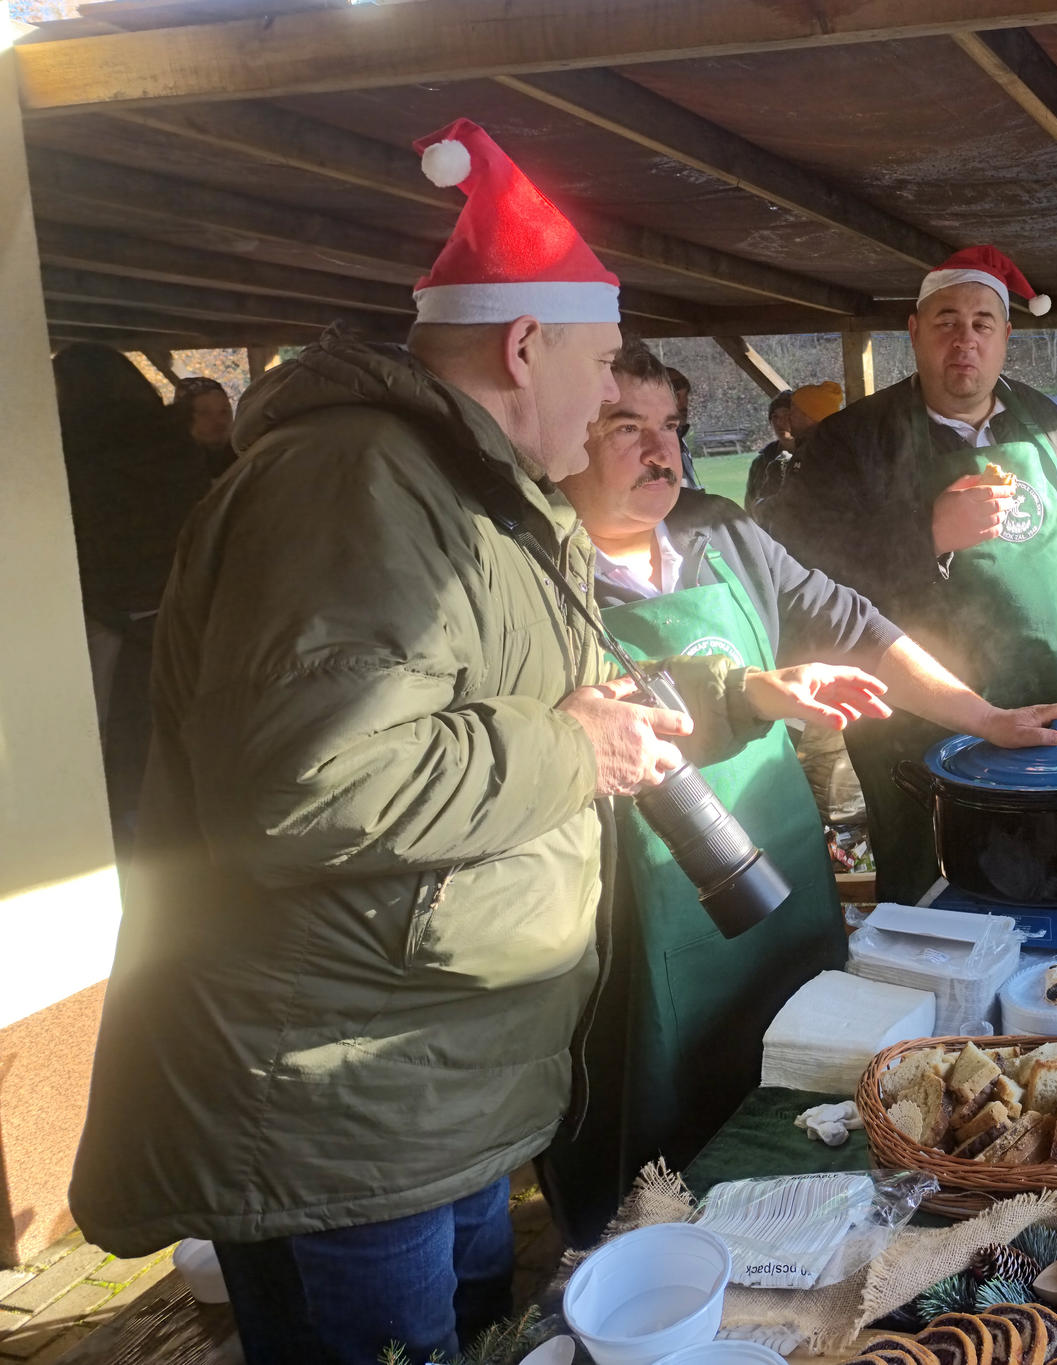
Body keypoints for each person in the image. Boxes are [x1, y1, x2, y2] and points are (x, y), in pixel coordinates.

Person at [66, 119, 770, 1365]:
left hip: (434, 1078)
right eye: (601, 365)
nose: (607, 400)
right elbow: (310, 782)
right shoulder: (352, 487)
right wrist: (574, 755)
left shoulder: (471, 490)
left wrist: (714, 697)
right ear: (522, 346)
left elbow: (522, 689)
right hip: (339, 1102)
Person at [542, 339, 1057, 1242]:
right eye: (625, 427)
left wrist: (985, 716)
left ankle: (802, 1252)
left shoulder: (719, 532)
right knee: (662, 1151)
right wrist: (757, 691)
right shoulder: (540, 572)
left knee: (801, 1100)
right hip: (637, 917)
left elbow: (856, 625)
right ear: (566, 435)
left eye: (671, 427)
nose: (661, 451)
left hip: (778, 872)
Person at [767, 245, 1057, 902]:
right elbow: (801, 580)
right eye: (945, 321)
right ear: (914, 332)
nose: (964, 339)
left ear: (1005, 337)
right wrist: (927, 534)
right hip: (923, 744)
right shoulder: (849, 444)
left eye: (981, 323)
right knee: (944, 908)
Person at [52, 344, 212, 843]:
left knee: (93, 729)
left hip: (104, 609)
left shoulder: (66, 452)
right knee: (176, 720)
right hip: (176, 603)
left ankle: (100, 830)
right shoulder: (175, 444)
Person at [745, 381, 841, 512]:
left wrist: (764, 501)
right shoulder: (762, 462)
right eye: (775, 417)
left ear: (809, 416)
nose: (782, 422)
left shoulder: (824, 456)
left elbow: (794, 508)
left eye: (790, 413)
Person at [171, 374, 237, 478]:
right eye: (205, 413)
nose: (219, 421)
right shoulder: (175, 473)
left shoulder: (249, 455)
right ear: (185, 419)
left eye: (224, 411)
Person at [663, 363, 701, 486]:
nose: (684, 403)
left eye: (686, 395)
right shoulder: (654, 447)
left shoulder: (680, 440)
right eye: (675, 395)